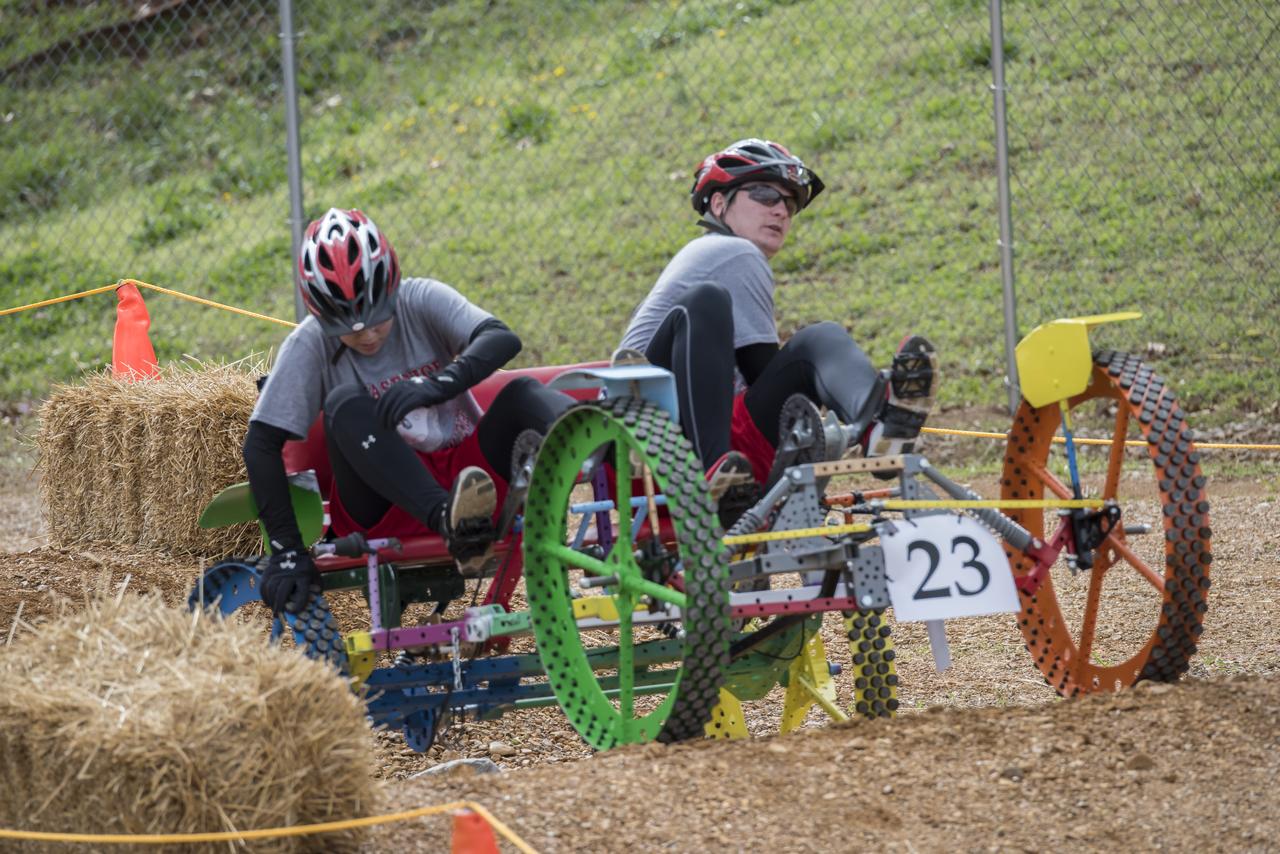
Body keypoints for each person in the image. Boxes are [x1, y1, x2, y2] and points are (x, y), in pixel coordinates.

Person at [244, 208, 572, 616]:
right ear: (320, 315)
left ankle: (626, 455)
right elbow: (260, 443)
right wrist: (287, 550)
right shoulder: (309, 344)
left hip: (470, 488)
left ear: (392, 289)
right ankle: (449, 522)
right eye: (347, 327)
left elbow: (500, 338)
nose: (366, 334)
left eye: (376, 318)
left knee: (523, 392)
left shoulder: (421, 298)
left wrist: (438, 383)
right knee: (344, 405)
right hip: (382, 505)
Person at [617, 138, 939, 500]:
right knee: (816, 342)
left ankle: (883, 431)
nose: (781, 211)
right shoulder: (731, 250)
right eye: (764, 195)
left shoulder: (707, 258)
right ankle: (877, 427)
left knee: (813, 343)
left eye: (787, 202)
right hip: (659, 454)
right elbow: (764, 372)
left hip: (687, 454)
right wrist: (820, 401)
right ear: (720, 204)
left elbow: (761, 381)